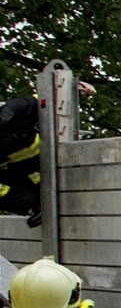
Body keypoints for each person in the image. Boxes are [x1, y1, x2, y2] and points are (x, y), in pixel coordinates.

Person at [0, 81, 94, 228]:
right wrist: (31, 202)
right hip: (22, 172)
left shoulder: (13, 111)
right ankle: (38, 205)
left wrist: (74, 89)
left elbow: (47, 99)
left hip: (52, 154)